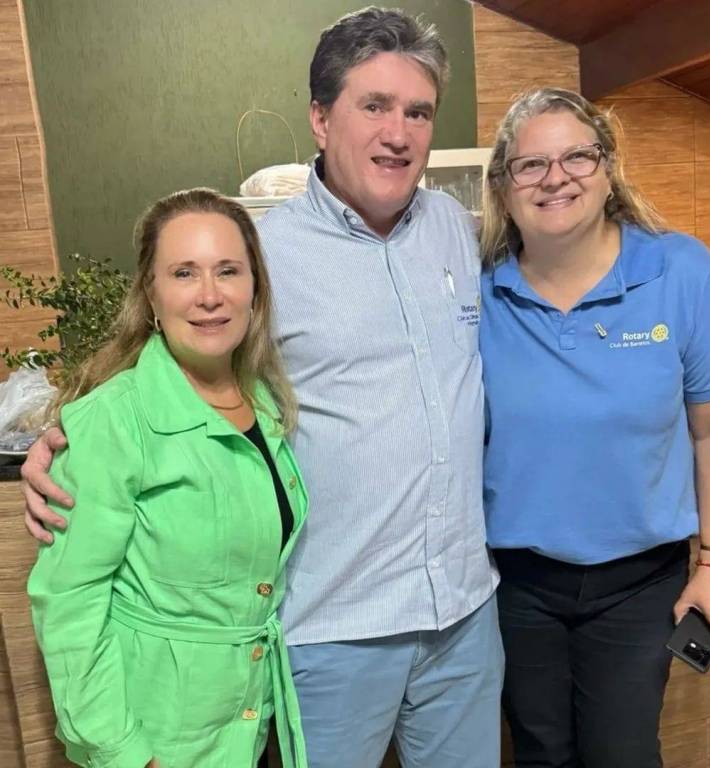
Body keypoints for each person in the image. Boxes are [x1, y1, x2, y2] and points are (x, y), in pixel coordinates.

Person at [22, 9, 503, 768]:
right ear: (321, 117)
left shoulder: (455, 228)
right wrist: (62, 441)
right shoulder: (262, 257)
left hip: (465, 617)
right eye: (374, 106)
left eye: (418, 112)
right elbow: (170, 365)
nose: (399, 133)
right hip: (335, 626)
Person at [479, 87, 710, 768]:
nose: (556, 178)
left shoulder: (680, 270)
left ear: (607, 169)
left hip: (639, 581)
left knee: (622, 753)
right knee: (540, 752)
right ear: (504, 187)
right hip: (514, 582)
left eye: (577, 157)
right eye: (531, 165)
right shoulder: (477, 289)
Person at [27, 189, 308, 768]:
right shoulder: (113, 419)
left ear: (255, 289)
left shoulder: (266, 402)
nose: (209, 295)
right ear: (151, 294)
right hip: (157, 742)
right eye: (184, 273)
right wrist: (127, 755)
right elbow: (69, 605)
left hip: (249, 725)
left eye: (228, 271)